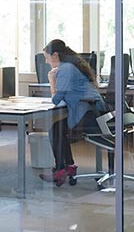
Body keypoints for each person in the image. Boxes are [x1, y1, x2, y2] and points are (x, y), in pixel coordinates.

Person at [40, 39, 106, 186]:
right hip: (94, 112)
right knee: (58, 128)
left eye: (47, 57)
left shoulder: (65, 69)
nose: (46, 61)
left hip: (88, 115)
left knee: (56, 130)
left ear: (55, 55)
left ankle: (61, 169)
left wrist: (51, 80)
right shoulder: (71, 66)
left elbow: (56, 99)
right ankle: (67, 167)